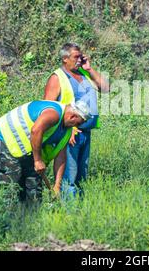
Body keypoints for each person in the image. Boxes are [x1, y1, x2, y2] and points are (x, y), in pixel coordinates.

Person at [0, 100, 91, 207]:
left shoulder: (67, 131)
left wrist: (57, 185)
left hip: (29, 150)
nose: (77, 126)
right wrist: (37, 161)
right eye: (78, 123)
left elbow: (61, 157)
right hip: (5, 140)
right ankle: (6, 222)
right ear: (73, 117)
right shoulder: (54, 114)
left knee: (34, 191)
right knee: (11, 188)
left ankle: (31, 220)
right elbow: (36, 130)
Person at [44, 43, 109, 198]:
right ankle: (69, 215)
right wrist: (67, 128)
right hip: (69, 133)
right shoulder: (57, 77)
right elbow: (47, 108)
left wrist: (89, 69)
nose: (79, 60)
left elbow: (106, 88)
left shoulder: (84, 73)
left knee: (81, 178)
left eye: (81, 56)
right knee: (69, 177)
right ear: (65, 58)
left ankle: (80, 213)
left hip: (85, 132)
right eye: (76, 57)